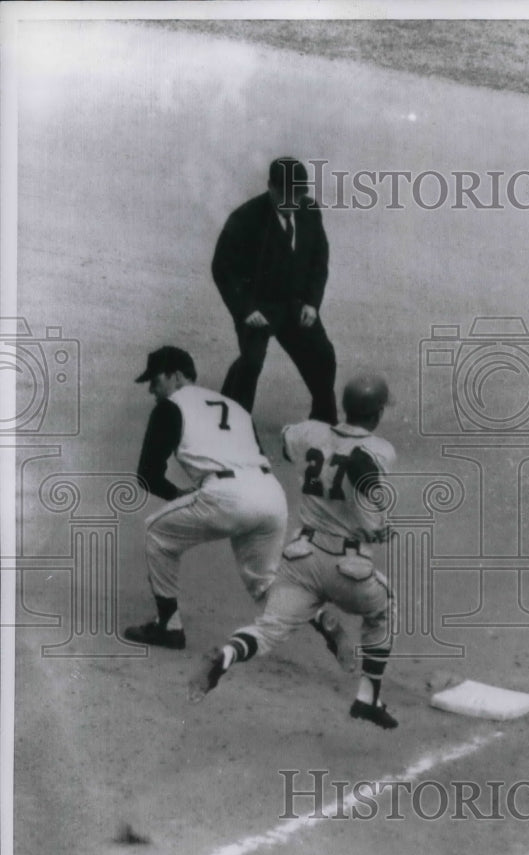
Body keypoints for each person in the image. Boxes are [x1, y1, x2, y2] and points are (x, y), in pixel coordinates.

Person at [188, 373, 399, 730]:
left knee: (268, 629)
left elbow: (285, 442)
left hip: (300, 559)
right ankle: (368, 698)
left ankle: (226, 656)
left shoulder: (309, 432)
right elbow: (371, 515)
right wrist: (381, 530)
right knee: (383, 608)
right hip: (347, 568)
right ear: (377, 414)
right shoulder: (382, 451)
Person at [124, 346, 289, 649]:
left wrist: (177, 494)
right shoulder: (235, 407)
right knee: (264, 582)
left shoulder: (170, 406)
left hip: (228, 498)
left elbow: (147, 474)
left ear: (175, 376)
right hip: (272, 495)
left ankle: (168, 626)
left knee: (156, 532)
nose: (151, 389)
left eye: (155, 380)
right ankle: (320, 619)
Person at [212, 156, 337, 424]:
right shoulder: (245, 218)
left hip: (296, 305)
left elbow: (319, 260)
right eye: (286, 194)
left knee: (323, 355)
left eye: (298, 194)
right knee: (251, 363)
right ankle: (232, 424)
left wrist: (312, 303)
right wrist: (245, 310)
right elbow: (222, 269)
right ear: (271, 187)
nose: (293, 202)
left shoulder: (310, 211)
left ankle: (324, 418)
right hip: (259, 307)